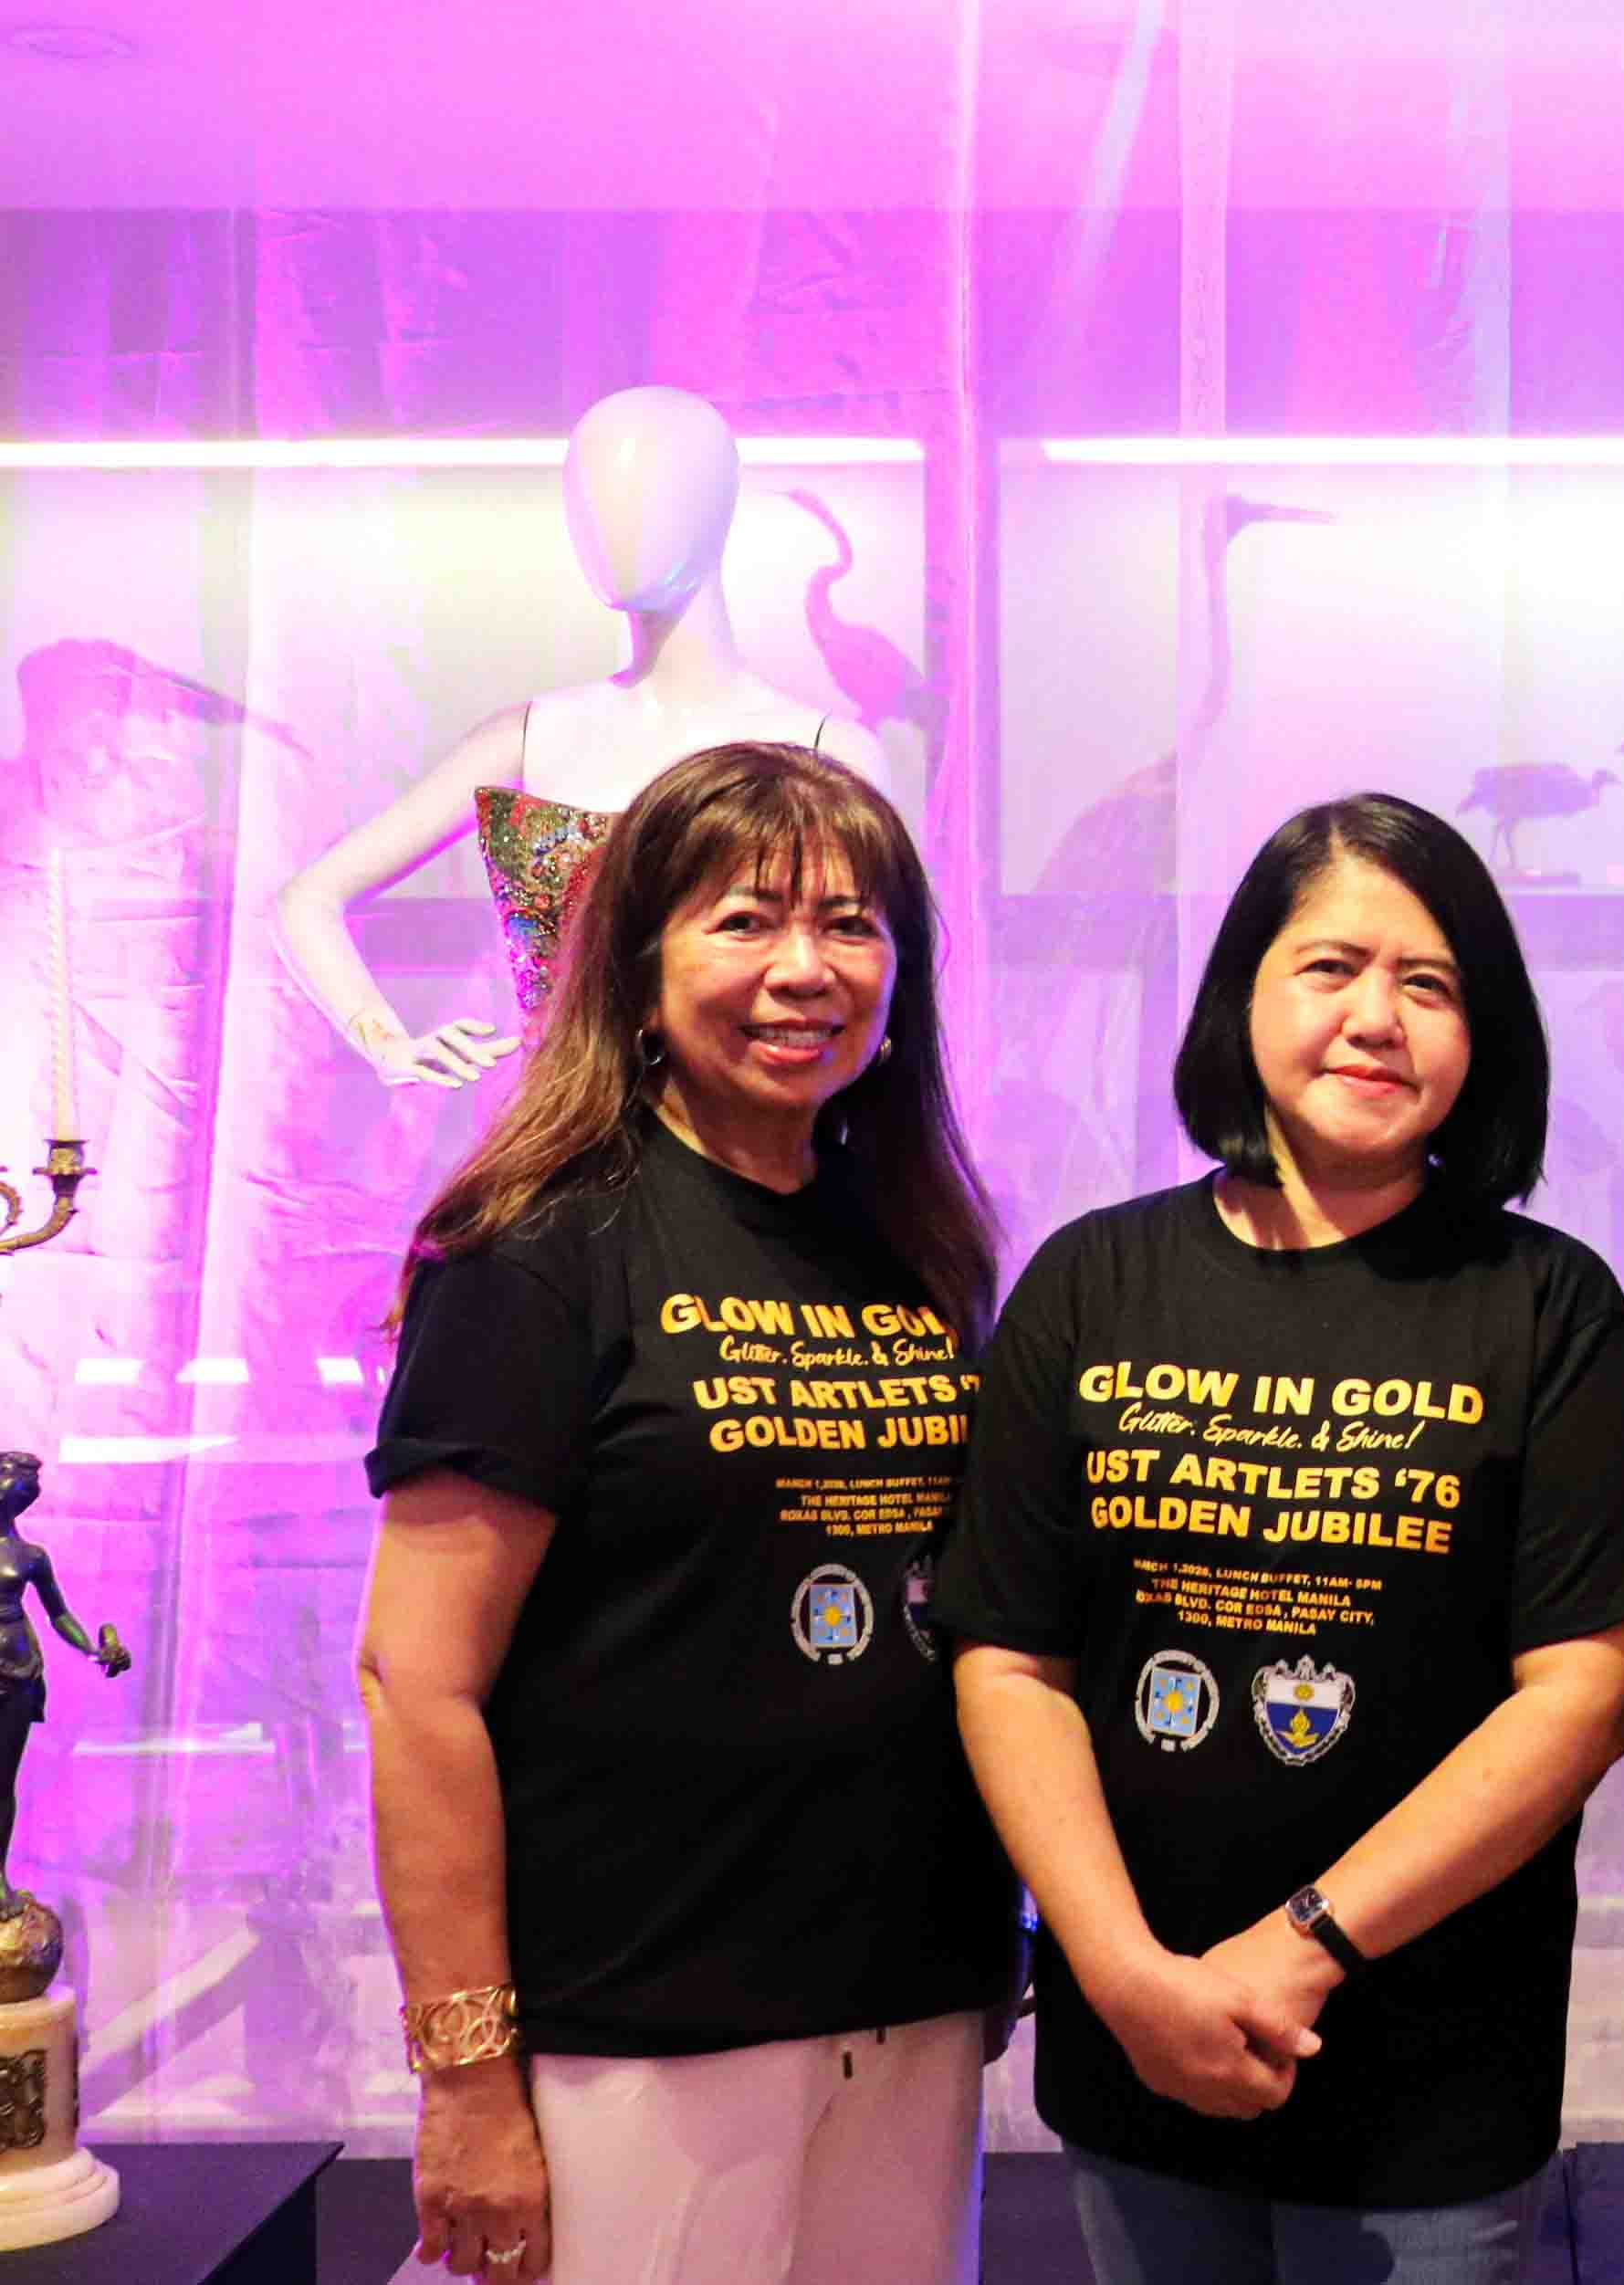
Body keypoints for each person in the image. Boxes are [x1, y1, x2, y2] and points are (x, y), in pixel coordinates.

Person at [931, 791, 1624, 2285]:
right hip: (1138, 2047)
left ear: (1483, 1031)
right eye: (1330, 966)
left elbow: (1584, 1693)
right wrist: (1122, 1971)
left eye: (1428, 982)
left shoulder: (1549, 1305)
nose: (1374, 1017)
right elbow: (1009, 1657)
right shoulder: (1089, 1282)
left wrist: (1300, 1944)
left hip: (1426, 2090)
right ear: (1244, 995)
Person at [357, 743, 1013, 2284]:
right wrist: (466, 2070)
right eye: (744, 919)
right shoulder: (534, 1248)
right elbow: (416, 1683)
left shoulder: (912, 1243)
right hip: (634, 2025)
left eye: (849, 922)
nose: (804, 967)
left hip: (908, 1997)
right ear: (639, 970)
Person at [0, 1452, 132, 1912]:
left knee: (2, 1781)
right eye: (12, 1478)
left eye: (24, 1485)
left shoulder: (32, 1557)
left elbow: (59, 1614)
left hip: (15, 1671)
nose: (18, 1489)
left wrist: (94, 1650)